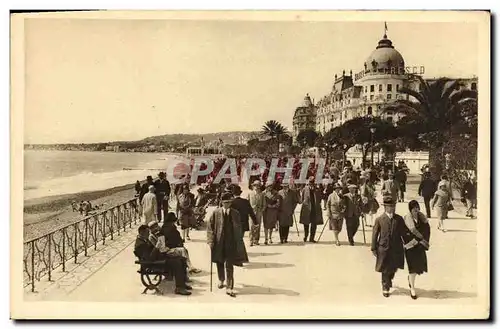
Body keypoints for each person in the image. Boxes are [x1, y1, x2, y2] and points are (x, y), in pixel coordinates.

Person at [207, 193, 249, 297]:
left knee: (229, 265)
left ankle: (230, 287)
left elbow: (239, 227)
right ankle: (221, 279)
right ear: (221, 203)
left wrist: (238, 240)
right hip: (219, 242)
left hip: (231, 243)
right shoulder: (216, 213)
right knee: (219, 262)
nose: (227, 205)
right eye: (225, 203)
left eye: (229, 203)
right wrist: (211, 240)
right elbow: (210, 227)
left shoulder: (235, 213)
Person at [133, 224, 191, 295]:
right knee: (177, 262)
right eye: (147, 233)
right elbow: (150, 258)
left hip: (157, 260)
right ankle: (179, 288)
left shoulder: (144, 240)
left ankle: (182, 283)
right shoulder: (140, 244)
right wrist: (157, 247)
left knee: (181, 258)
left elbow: (152, 253)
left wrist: (162, 249)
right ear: (142, 233)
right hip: (152, 264)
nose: (149, 234)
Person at [371, 195, 406, 298]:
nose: (391, 208)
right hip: (383, 248)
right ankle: (385, 287)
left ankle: (389, 279)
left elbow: (403, 232)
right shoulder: (379, 219)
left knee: (393, 268)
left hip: (396, 248)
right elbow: (375, 234)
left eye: (393, 206)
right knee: (385, 268)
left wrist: (408, 243)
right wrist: (373, 247)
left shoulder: (399, 219)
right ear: (385, 207)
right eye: (389, 206)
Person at [402, 200, 430, 300]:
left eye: (417, 208)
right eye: (414, 208)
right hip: (410, 247)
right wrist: (416, 240)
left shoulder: (422, 218)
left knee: (418, 267)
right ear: (410, 210)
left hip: (420, 246)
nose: (416, 210)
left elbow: (427, 230)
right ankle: (412, 288)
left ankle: (410, 280)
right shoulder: (407, 219)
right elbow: (405, 233)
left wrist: (423, 240)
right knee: (412, 268)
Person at [299, 176, 324, 243]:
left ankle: (311, 238)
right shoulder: (305, 189)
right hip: (307, 209)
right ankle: (305, 236)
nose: (311, 184)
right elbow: (302, 199)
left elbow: (320, 199)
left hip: (314, 209)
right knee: (306, 224)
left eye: (313, 182)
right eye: (310, 182)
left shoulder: (317, 190)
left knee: (314, 225)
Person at [248, 180, 266, 246]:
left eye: (258, 186)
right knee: (251, 226)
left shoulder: (262, 194)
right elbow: (247, 203)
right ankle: (251, 240)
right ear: (253, 186)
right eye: (255, 185)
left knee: (258, 226)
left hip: (259, 212)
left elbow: (264, 204)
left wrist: (261, 210)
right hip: (252, 212)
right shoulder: (250, 193)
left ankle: (256, 240)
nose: (256, 187)